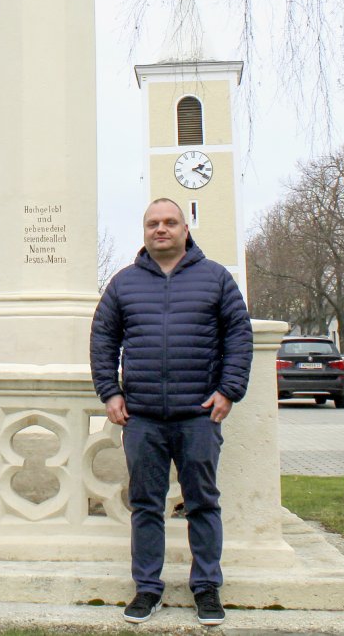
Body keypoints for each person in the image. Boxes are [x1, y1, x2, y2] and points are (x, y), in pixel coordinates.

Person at [90, 199, 253, 627]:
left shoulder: (216, 278)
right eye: (152, 224)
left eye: (169, 223)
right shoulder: (123, 284)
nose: (160, 229)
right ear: (144, 231)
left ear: (185, 228)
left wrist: (229, 390)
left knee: (201, 502)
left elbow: (239, 334)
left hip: (199, 415)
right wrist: (109, 392)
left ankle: (206, 588)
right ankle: (147, 588)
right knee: (145, 505)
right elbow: (103, 339)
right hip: (141, 416)